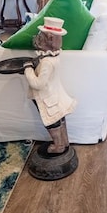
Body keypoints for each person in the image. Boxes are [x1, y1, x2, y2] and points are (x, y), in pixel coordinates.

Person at [23, 17, 77, 155]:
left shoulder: (47, 61)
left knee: (52, 122)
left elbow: (38, 84)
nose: (37, 39)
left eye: (40, 36)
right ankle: (64, 142)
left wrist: (28, 69)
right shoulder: (54, 56)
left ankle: (58, 146)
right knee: (60, 119)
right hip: (55, 94)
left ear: (48, 40)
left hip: (46, 97)